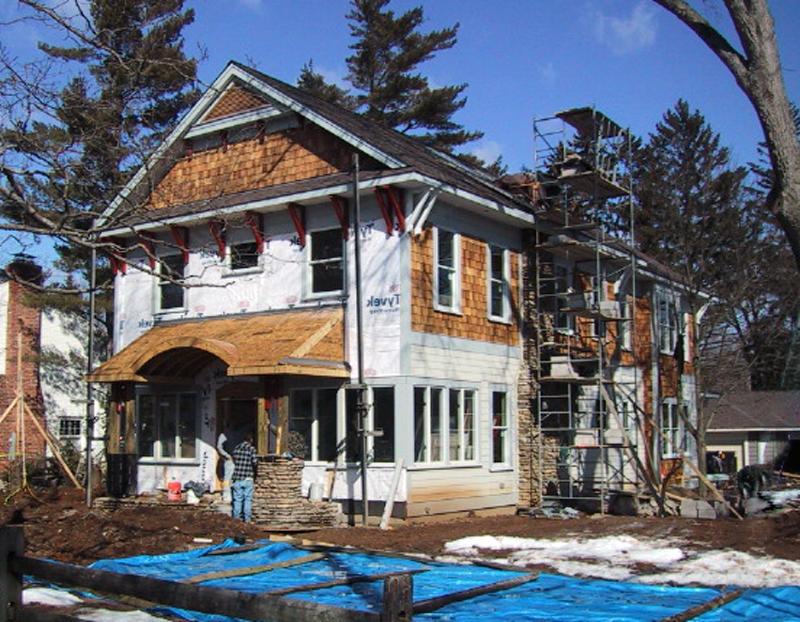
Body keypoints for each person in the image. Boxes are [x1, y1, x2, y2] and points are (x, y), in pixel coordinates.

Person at [231, 433, 257, 522]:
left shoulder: (236, 448)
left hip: (237, 477)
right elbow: (255, 462)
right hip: (247, 477)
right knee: (248, 500)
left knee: (237, 500)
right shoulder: (251, 449)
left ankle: (236, 519)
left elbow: (234, 460)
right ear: (251, 440)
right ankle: (247, 520)